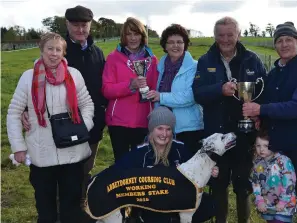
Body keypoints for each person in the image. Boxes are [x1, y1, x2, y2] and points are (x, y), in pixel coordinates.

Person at [21, 5, 107, 204]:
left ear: (90, 25)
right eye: (75, 25)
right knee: (61, 174)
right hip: (58, 127)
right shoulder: (57, 51)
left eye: (84, 25)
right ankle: (59, 212)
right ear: (67, 24)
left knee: (85, 171)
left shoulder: (98, 53)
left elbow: (101, 88)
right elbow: (36, 82)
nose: (80, 30)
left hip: (89, 124)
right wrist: (27, 109)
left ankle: (81, 210)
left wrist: (99, 118)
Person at [242, 22, 297, 223]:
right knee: (276, 193)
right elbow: (270, 104)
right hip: (277, 145)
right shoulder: (274, 74)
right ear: (275, 46)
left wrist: (261, 109)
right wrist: (259, 118)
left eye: (289, 39)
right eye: (279, 40)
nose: (284, 44)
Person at [6, 32, 94, 223]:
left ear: (63, 53)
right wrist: (18, 147)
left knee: (71, 205)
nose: (53, 54)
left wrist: (81, 128)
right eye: (50, 49)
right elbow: (14, 112)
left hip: (73, 151)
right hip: (41, 153)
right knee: (45, 208)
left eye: (58, 50)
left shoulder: (74, 75)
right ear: (42, 49)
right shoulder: (28, 77)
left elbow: (87, 104)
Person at [192, 16, 267, 223]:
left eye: (230, 35)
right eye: (220, 35)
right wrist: (219, 89)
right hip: (216, 136)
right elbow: (197, 93)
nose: (225, 39)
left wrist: (260, 116)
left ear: (238, 35)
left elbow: (265, 92)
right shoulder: (205, 60)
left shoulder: (253, 60)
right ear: (215, 36)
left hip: (245, 134)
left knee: (243, 186)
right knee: (218, 184)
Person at [114, 106, 218, 223]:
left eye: (168, 129)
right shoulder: (140, 152)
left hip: (178, 200)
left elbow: (198, 173)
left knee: (210, 204)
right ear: (151, 129)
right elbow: (117, 171)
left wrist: (211, 172)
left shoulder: (180, 148)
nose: (164, 134)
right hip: (150, 202)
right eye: (160, 128)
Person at [102, 17, 158, 162]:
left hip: (143, 120)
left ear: (142, 35)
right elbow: (106, 90)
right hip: (119, 121)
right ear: (124, 36)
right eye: (129, 34)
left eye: (136, 33)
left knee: (140, 165)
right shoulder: (113, 58)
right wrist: (130, 86)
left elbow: (155, 89)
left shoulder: (153, 60)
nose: (133, 38)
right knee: (121, 165)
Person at [146, 24, 204, 155]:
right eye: (171, 42)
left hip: (188, 129)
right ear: (165, 46)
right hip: (163, 129)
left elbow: (190, 96)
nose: (175, 46)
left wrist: (161, 97)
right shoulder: (160, 66)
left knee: (187, 171)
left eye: (179, 42)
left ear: (185, 44)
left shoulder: (195, 67)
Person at [250, 130, 297, 223]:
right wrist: (259, 200)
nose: (261, 149)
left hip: (285, 207)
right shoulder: (257, 163)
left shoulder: (283, 161)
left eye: (265, 146)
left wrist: (283, 201)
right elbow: (255, 183)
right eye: (258, 146)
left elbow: (289, 183)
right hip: (268, 206)